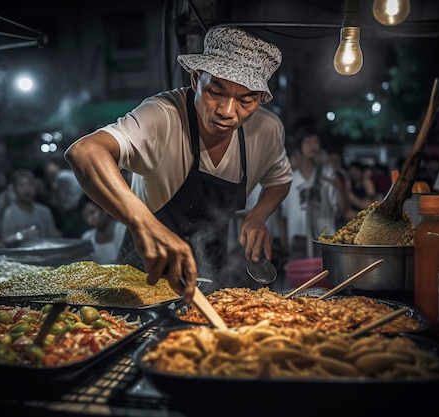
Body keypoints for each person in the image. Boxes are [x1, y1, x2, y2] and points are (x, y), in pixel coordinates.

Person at [64, 26, 292, 301]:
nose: (228, 112)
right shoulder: (163, 116)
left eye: (246, 100)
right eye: (216, 92)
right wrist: (144, 224)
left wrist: (258, 216)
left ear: (260, 99)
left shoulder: (267, 130)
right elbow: (85, 152)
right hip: (145, 269)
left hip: (214, 271)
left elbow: (280, 179)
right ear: (196, 79)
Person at [280, 125, 349, 260]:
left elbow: (344, 209)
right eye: (308, 143)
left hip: (324, 239)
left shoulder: (328, 175)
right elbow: (283, 214)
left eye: (316, 142)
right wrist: (284, 242)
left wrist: (341, 189)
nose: (313, 146)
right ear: (300, 147)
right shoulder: (290, 179)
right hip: (298, 241)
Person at [0, 169, 61, 238]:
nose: (27, 189)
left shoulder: (44, 212)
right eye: (22, 185)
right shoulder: (10, 214)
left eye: (30, 184)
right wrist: (21, 236)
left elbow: (52, 236)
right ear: (14, 190)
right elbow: (7, 239)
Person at [78, 194, 126, 265]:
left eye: (92, 213)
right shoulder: (87, 238)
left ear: (104, 210)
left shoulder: (123, 230)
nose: (90, 219)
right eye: (85, 216)